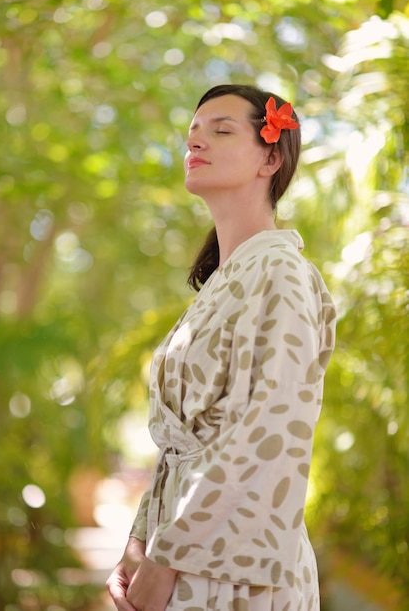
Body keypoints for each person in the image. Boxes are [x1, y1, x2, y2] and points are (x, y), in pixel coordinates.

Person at [106, 84, 336, 611]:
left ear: (270, 157)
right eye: (192, 131)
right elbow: (180, 446)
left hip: (234, 572)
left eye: (221, 130)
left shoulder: (282, 273)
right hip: (179, 556)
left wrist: (165, 560)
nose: (195, 140)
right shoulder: (224, 284)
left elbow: (268, 433)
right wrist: (139, 542)